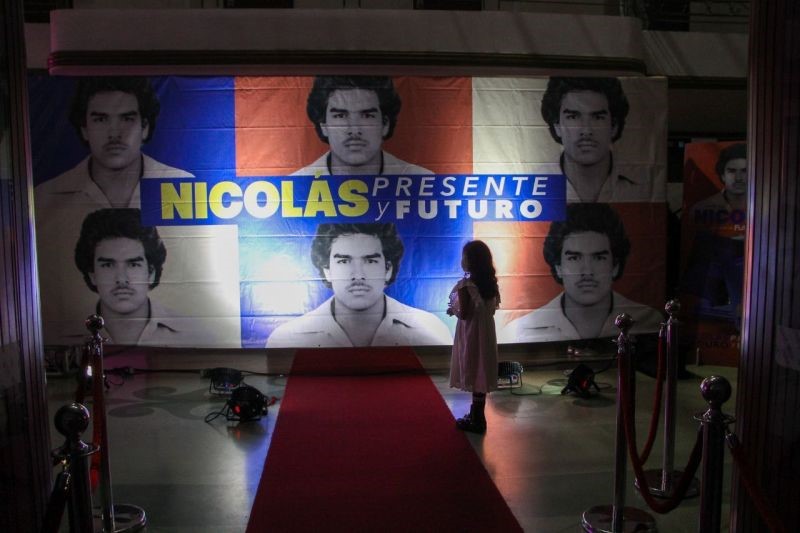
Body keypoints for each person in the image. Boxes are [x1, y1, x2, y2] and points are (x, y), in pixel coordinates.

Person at [266, 222, 452, 348]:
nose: (358, 275)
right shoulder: (285, 338)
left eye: (370, 261)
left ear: (388, 269)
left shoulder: (431, 331)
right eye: (344, 261)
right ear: (326, 270)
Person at [500, 203, 663, 343]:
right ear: (558, 267)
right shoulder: (522, 330)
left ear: (615, 266)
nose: (587, 271)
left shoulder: (648, 321)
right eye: (574, 258)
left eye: (599, 258)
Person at [35, 76, 193, 212]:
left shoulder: (182, 186)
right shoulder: (43, 199)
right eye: (101, 119)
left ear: (144, 127)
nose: (114, 134)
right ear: (84, 129)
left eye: (127, 119)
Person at [74, 208, 194, 346]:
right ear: (92, 275)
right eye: (108, 265)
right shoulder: (65, 335)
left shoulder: (192, 333)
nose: (121, 279)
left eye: (133, 264)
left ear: (151, 273)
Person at [540, 77, 654, 203]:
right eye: (573, 117)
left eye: (598, 117)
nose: (586, 130)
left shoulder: (644, 188)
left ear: (614, 126)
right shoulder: (533, 184)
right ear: (557, 126)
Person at [292, 75, 433, 176]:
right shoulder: (297, 185)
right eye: (340, 116)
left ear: (385, 124)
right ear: (323, 125)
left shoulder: (422, 181)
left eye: (367, 116)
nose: (354, 130)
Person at [682, 143, 747, 326]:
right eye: (732, 171)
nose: (739, 177)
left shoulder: (767, 210)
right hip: (713, 287)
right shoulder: (701, 209)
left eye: (745, 171)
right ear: (722, 175)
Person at [447, 240, 501, 434]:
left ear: (471, 261)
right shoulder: (491, 285)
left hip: (471, 334)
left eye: (464, 257)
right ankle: (477, 415)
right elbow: (491, 310)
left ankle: (476, 420)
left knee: (473, 367)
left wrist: (452, 310)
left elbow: (464, 314)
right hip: (486, 333)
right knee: (482, 371)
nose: (462, 260)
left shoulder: (465, 285)